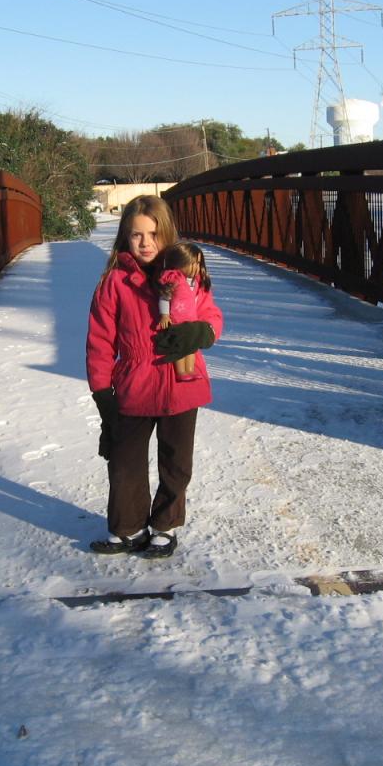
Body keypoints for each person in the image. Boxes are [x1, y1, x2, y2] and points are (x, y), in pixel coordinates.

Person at [86, 195, 222, 559]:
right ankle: (128, 528)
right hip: (135, 384)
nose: (145, 243)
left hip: (182, 382)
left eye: (153, 234)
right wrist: (102, 391)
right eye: (136, 235)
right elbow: (99, 342)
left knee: (176, 463)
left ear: (167, 235)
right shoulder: (115, 282)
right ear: (125, 237)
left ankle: (164, 526)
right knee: (124, 462)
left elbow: (211, 314)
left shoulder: (188, 276)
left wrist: (204, 332)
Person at [151, 242, 211, 380]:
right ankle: (181, 372)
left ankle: (190, 369)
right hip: (177, 321)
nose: (196, 267)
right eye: (192, 263)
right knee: (180, 348)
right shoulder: (174, 279)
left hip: (192, 321)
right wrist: (165, 315)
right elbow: (164, 298)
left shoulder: (195, 282)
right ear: (179, 263)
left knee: (191, 348)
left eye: (198, 263)